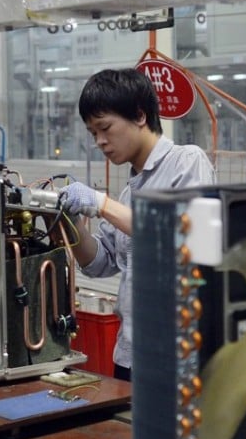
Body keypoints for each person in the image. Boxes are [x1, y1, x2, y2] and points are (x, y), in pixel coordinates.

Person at [59, 68, 214, 382]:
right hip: (130, 355)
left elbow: (189, 238)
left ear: (140, 116)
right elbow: (99, 264)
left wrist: (101, 204)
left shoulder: (187, 162)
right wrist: (70, 222)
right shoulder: (130, 192)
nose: (100, 142)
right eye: (92, 134)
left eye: (105, 128)